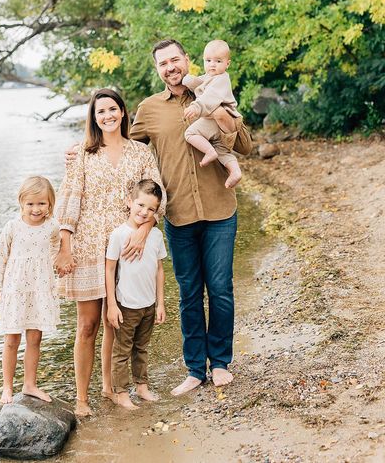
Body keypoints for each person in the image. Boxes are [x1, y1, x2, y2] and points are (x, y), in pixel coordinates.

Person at [130, 38, 252, 396]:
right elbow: (123, 147)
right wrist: (85, 146)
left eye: (175, 59)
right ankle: (195, 368)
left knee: (220, 290)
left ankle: (222, 363)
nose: (170, 67)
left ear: (186, 60)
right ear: (158, 70)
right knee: (188, 295)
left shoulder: (214, 89)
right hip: (179, 216)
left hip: (220, 210)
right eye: (162, 63)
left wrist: (217, 112)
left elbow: (244, 144)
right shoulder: (149, 109)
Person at [54, 88, 166, 417]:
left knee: (115, 323)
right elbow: (69, 200)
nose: (108, 116)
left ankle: (111, 388)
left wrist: (145, 230)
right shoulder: (83, 154)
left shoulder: (141, 152)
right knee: (88, 325)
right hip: (89, 248)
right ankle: (81, 398)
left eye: (113, 109)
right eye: (100, 111)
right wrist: (64, 245)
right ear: (94, 118)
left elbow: (159, 195)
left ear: (122, 112)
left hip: (126, 250)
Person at [0, 176, 59, 405]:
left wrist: (58, 267)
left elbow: (57, 249)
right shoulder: (13, 227)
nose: (36, 209)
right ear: (21, 203)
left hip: (40, 290)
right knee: (11, 339)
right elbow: (1, 256)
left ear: (50, 204)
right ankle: (7, 387)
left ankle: (30, 384)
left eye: (41, 203)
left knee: (35, 338)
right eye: (30, 204)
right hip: (15, 289)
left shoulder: (52, 227)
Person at [105, 179, 167, 409]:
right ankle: (121, 392)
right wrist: (112, 304)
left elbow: (159, 270)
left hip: (148, 304)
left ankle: (141, 386)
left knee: (141, 348)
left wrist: (160, 303)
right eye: (140, 205)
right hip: (126, 305)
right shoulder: (119, 235)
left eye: (151, 209)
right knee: (122, 351)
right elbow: (110, 269)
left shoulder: (156, 236)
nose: (144, 212)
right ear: (129, 202)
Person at [182, 39, 242, 189]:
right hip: (218, 124)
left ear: (227, 64)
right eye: (208, 60)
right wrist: (189, 80)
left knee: (190, 133)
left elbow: (210, 97)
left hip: (217, 120)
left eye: (218, 61)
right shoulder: (210, 77)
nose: (212, 64)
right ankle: (235, 171)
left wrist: (196, 107)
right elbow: (199, 83)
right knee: (222, 150)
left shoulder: (222, 79)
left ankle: (209, 152)